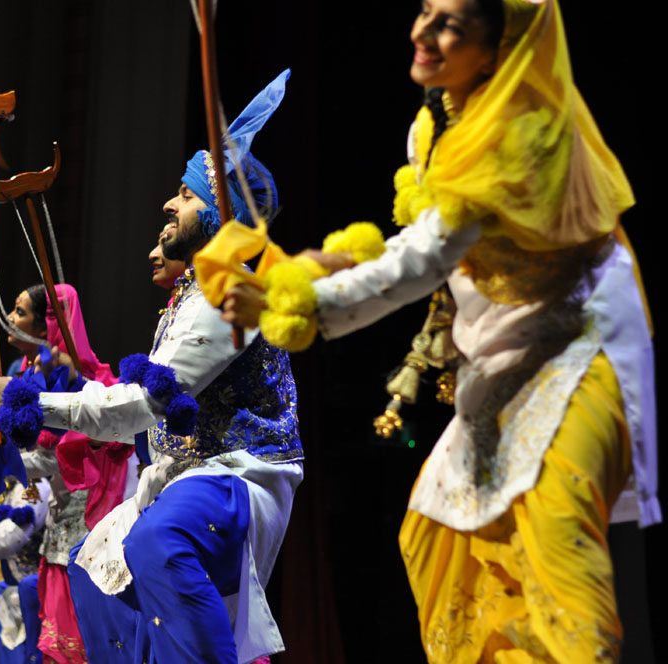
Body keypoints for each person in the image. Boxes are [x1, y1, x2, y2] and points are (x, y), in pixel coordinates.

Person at [223, 2, 659, 661]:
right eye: (425, 11)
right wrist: (333, 266)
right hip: (504, 351)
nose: (422, 32)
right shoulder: (436, 122)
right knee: (440, 530)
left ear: (496, 45)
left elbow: (424, 260)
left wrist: (303, 302)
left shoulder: (518, 125)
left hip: (575, 348)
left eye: (450, 23)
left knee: (556, 537)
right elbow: (421, 243)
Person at [0, 69, 300, 664]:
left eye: (184, 195)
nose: (168, 204)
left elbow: (137, 405)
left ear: (220, 211)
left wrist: (34, 405)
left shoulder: (230, 293)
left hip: (240, 475)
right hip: (185, 479)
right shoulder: (188, 299)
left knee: (159, 540)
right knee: (95, 571)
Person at [4, 282, 129, 663]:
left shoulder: (85, 384)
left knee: (84, 635)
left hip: (86, 528)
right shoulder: (28, 375)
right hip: (58, 528)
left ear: (46, 328)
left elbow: (61, 456)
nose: (10, 319)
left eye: (20, 311)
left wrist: (4, 461)